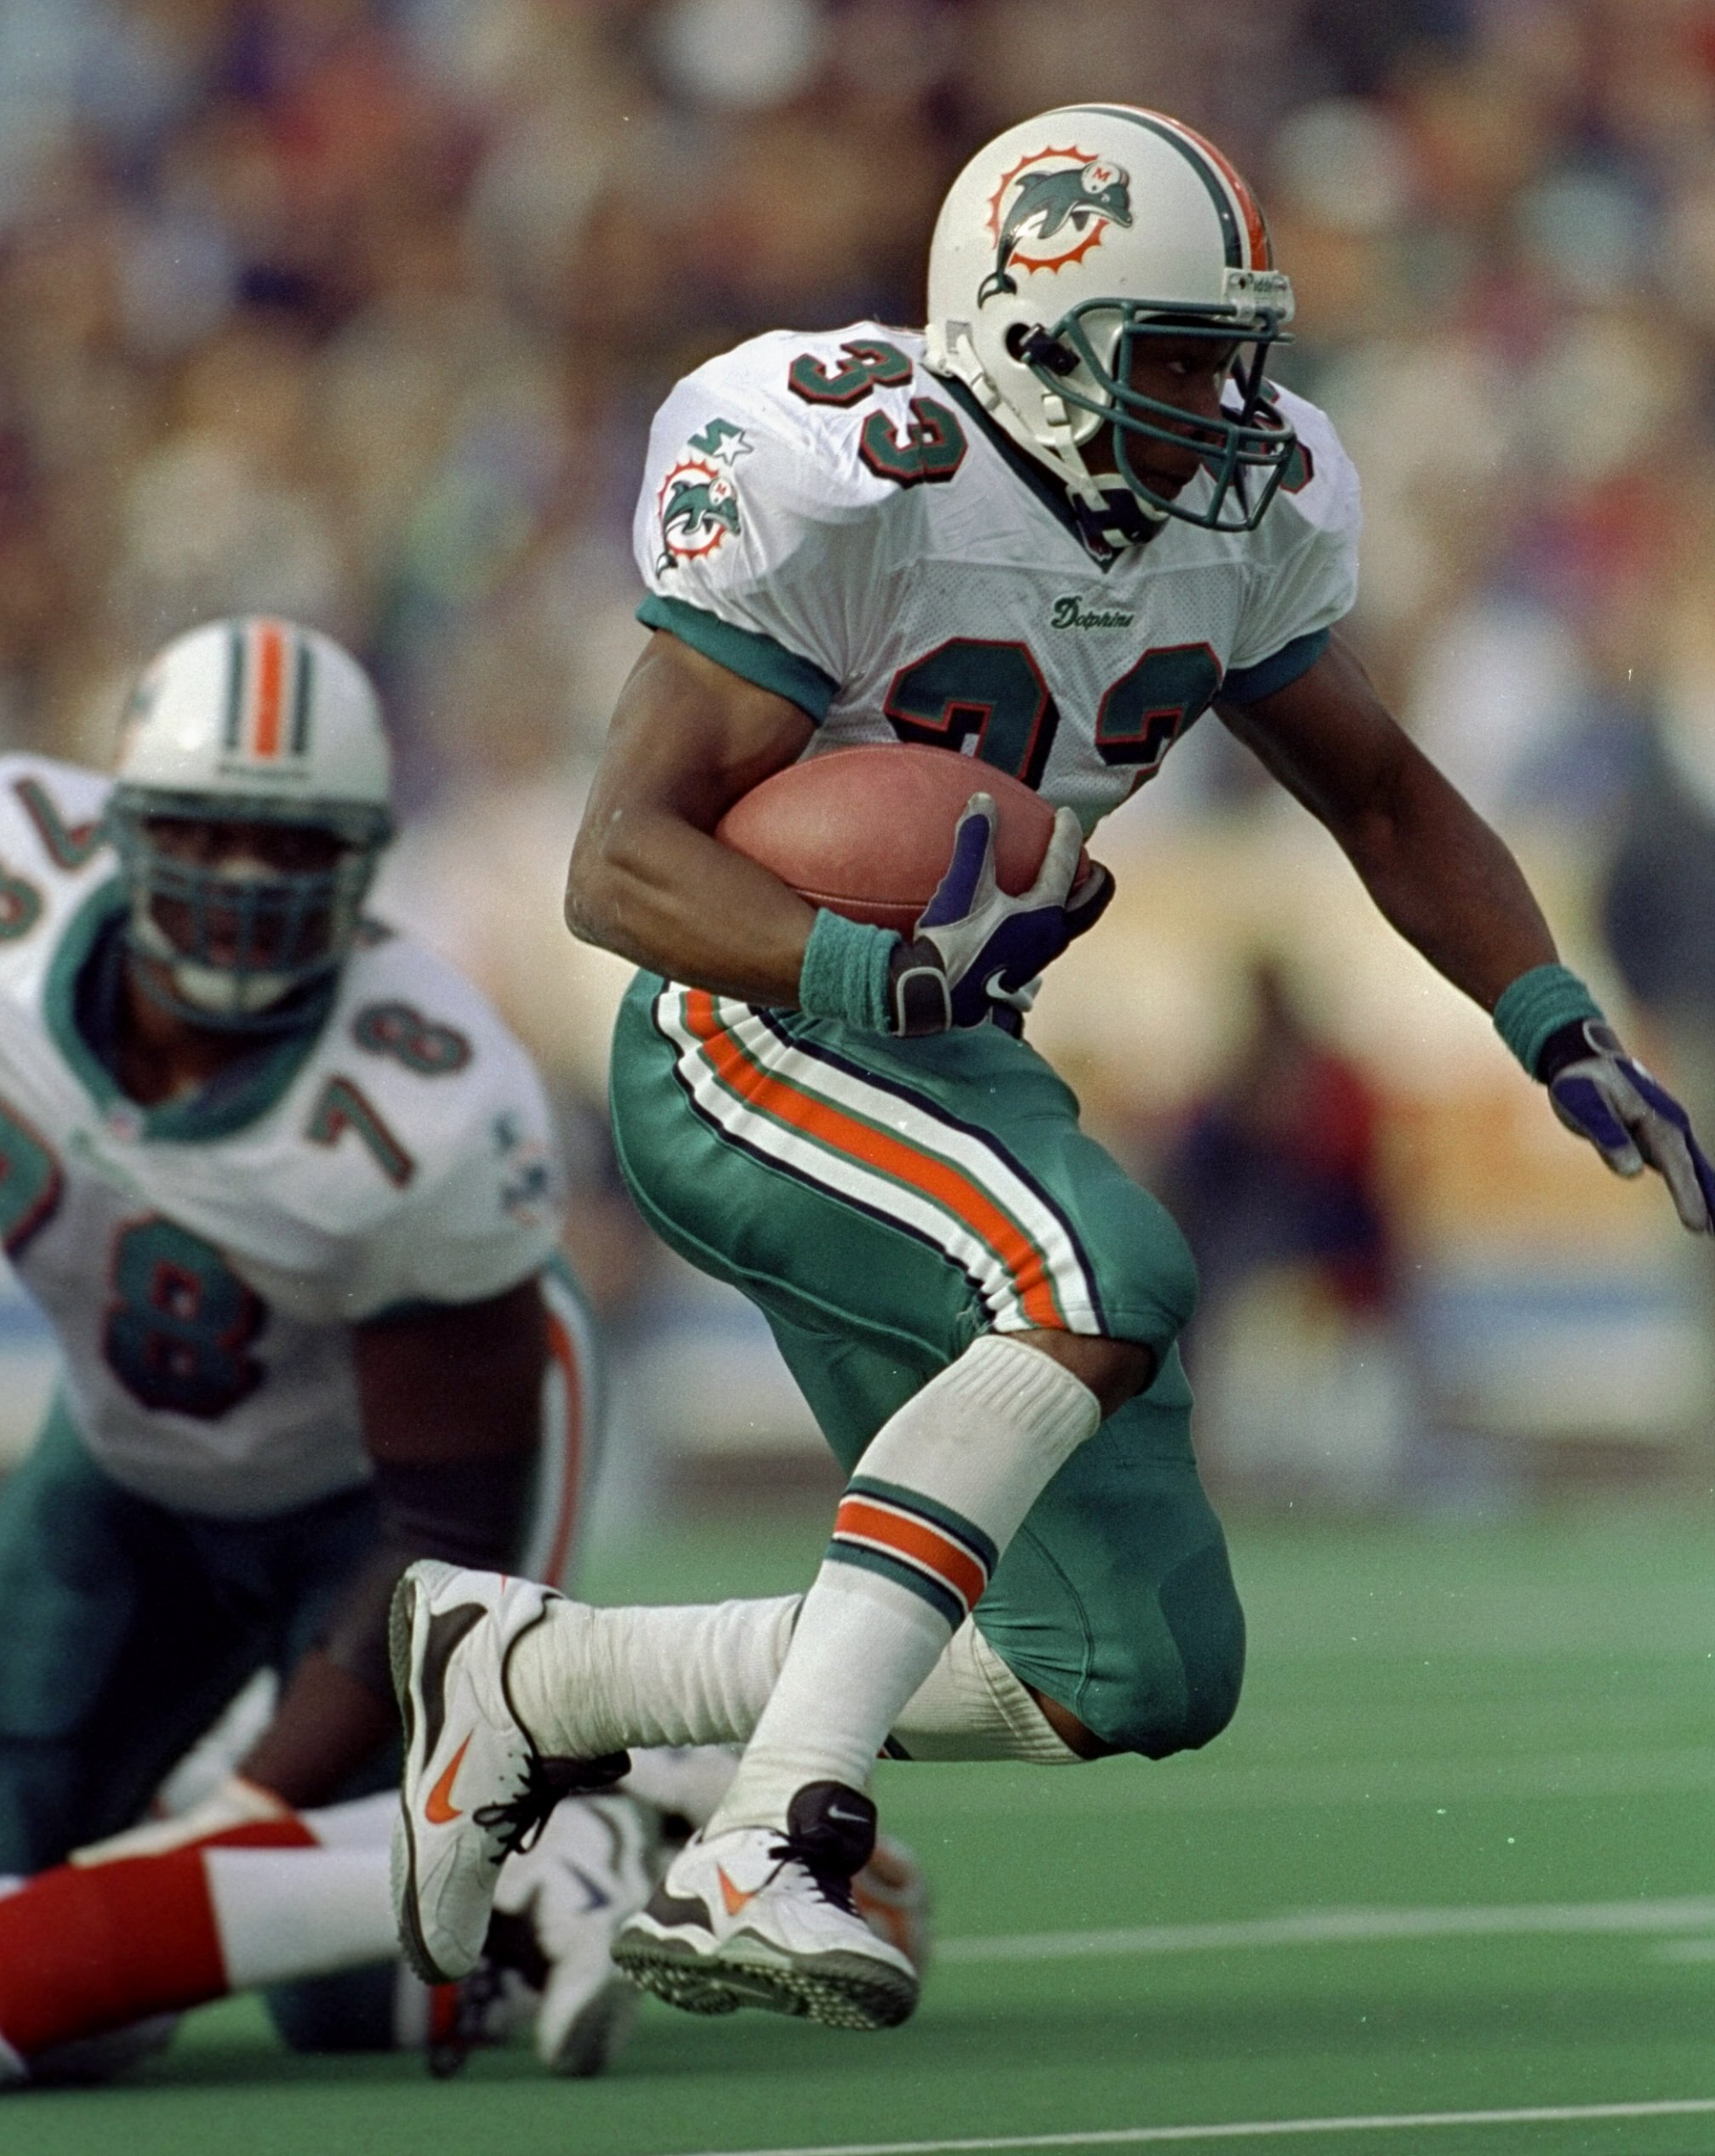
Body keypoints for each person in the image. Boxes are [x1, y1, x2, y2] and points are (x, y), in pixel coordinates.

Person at [389, 103, 1715, 2034]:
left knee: (1124, 1665)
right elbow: (622, 861)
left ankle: (536, 1688)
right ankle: (765, 1850)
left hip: (945, 1054)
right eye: (1178, 353)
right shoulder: (857, 475)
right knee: (1097, 1271)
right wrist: (871, 961)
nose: (1231, 402)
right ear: (1027, 330)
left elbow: (1382, 788)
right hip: (752, 1028)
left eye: (1239, 351)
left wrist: (1548, 1015)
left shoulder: (1231, 519)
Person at [0, 615, 642, 2082]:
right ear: (120, 826)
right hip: (128, 1461)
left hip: (374, 1515)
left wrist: (249, 1810)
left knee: (373, 2006)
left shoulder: (424, 1106)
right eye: (212, 832)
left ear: (364, 861)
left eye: (295, 847)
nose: (242, 882)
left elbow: (441, 1537)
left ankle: (635, 1821)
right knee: (55, 1995)